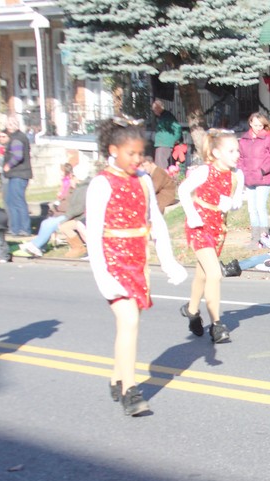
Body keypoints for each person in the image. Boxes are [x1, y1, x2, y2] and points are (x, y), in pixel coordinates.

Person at [85, 119, 187, 415]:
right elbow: (93, 236)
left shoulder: (143, 180)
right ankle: (131, 391)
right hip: (113, 264)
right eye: (130, 153)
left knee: (128, 325)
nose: (137, 159)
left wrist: (169, 262)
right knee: (128, 321)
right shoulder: (101, 183)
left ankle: (117, 378)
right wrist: (104, 278)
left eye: (140, 153)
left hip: (137, 263)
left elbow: (155, 222)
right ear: (113, 150)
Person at [178, 129, 244, 343]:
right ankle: (217, 325)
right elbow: (183, 190)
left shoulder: (237, 175)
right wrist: (192, 214)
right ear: (216, 153)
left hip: (218, 229)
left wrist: (231, 204)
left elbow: (237, 203)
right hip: (199, 226)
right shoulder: (205, 171)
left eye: (237, 150)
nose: (236, 154)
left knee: (203, 274)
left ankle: (191, 310)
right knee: (214, 273)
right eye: (231, 150)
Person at [237, 113, 270, 245]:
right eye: (256, 125)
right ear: (250, 123)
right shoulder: (244, 140)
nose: (258, 128)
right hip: (249, 178)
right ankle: (255, 237)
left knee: (260, 207)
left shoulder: (268, 138)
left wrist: (263, 170)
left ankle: (264, 237)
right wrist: (242, 172)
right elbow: (240, 159)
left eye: (261, 125)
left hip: (264, 178)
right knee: (252, 209)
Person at [1, 119, 33, 236]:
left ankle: (24, 229)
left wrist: (8, 165)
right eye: (8, 124)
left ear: (17, 125)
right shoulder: (15, 137)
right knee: (10, 201)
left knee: (18, 202)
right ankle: (15, 228)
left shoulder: (17, 138)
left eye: (12, 124)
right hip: (16, 175)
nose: (9, 126)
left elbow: (18, 156)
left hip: (19, 174)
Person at [151, 100, 182, 170]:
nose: (154, 111)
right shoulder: (163, 117)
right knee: (160, 165)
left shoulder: (167, 116)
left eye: (155, 109)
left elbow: (177, 128)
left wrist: (174, 140)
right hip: (162, 144)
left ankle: (162, 180)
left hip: (164, 144)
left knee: (160, 166)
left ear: (159, 108)